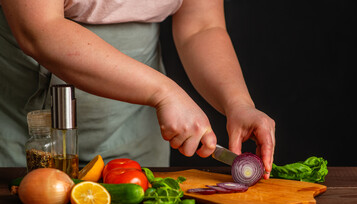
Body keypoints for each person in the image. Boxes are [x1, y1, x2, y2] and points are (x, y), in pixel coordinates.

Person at [0, 0, 275, 179]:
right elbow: (38, 30)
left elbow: (201, 26)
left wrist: (238, 103)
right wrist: (164, 92)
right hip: (26, 125)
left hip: (135, 129)